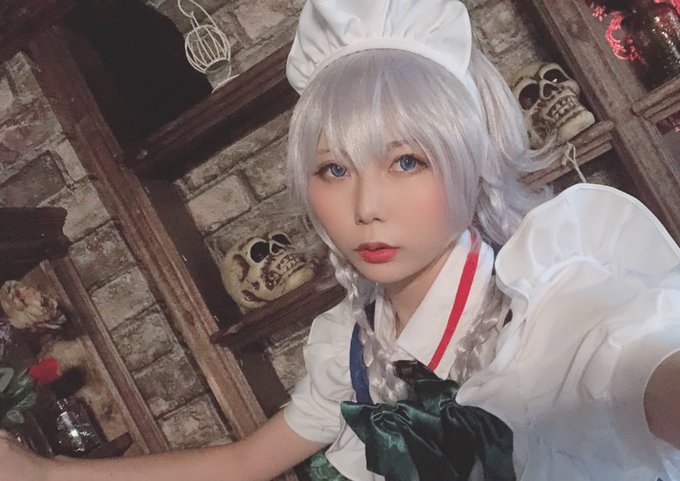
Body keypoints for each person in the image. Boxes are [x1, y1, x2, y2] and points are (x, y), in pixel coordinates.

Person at [2, 1, 680, 480]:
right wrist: (41, 472)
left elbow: (641, 367)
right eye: (334, 169)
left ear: (469, 157)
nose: (365, 207)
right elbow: (244, 462)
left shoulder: (558, 307)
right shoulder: (357, 350)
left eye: (406, 161)